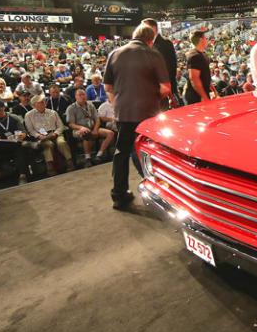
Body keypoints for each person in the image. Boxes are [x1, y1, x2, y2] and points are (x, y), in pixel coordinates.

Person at [103, 23, 170, 209]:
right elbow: (166, 88)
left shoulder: (114, 54)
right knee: (151, 151)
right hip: (148, 113)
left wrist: (117, 104)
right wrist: (153, 97)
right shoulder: (153, 54)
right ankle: (157, 191)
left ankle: (119, 195)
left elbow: (108, 87)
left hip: (123, 112)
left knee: (121, 153)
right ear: (150, 40)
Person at [0, 99, 35, 185]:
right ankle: (23, 144)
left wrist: (22, 135)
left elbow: (23, 131)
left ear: (4, 108)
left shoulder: (14, 117)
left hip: (13, 144)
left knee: (20, 150)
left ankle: (22, 176)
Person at [25, 94, 74, 175]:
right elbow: (30, 130)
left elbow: (61, 126)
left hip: (55, 133)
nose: (43, 103)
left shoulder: (53, 112)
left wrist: (55, 133)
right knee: (48, 144)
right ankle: (50, 166)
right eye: (40, 102)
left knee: (61, 142)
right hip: (41, 136)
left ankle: (70, 161)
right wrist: (39, 136)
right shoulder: (29, 115)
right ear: (34, 105)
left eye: (43, 102)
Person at [66, 88, 114, 165]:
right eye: (80, 95)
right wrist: (81, 128)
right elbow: (71, 124)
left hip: (92, 127)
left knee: (110, 133)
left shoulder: (90, 105)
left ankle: (99, 155)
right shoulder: (71, 108)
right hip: (79, 129)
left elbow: (97, 119)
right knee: (86, 133)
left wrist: (95, 129)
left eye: (84, 94)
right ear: (76, 97)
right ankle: (87, 158)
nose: (82, 96)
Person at [142, 18, 179, 110]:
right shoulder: (145, 44)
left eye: (144, 27)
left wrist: (168, 92)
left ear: (153, 28)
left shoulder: (165, 43)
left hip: (164, 91)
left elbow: (170, 68)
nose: (142, 30)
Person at [185, 30, 217, 105]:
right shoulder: (194, 56)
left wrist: (214, 91)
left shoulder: (203, 55)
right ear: (201, 40)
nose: (207, 41)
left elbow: (205, 77)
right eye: (206, 38)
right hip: (196, 98)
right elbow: (194, 79)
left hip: (203, 95)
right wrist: (204, 97)